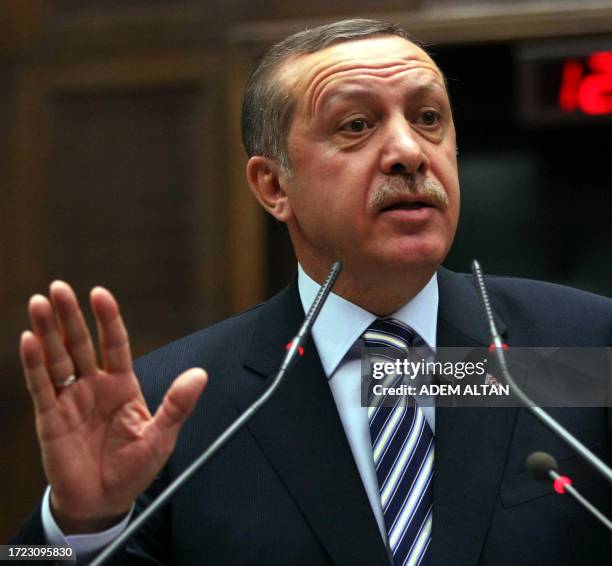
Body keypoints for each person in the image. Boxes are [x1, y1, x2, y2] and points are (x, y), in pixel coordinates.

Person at [12, 18, 612, 565]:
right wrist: (77, 526)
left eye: (428, 118)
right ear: (274, 185)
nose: (409, 152)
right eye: (356, 125)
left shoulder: (579, 349)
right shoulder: (168, 406)